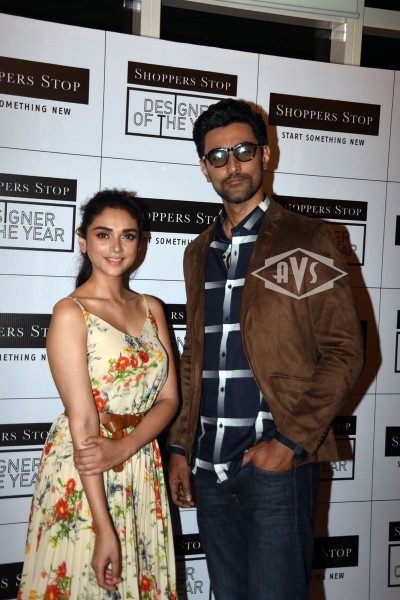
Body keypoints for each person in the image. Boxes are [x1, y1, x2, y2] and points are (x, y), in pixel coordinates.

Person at [167, 99, 364, 600]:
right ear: (204, 168)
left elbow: (344, 352)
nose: (232, 165)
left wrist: (287, 444)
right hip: (210, 470)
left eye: (243, 151)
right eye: (218, 156)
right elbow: (194, 357)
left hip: (276, 470)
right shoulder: (198, 251)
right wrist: (180, 448)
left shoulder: (307, 239)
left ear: (266, 155)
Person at [18, 189, 178, 600]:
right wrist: (104, 527)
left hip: (139, 461)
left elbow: (169, 400)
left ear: (140, 244)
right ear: (83, 241)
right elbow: (84, 421)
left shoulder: (152, 308)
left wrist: (125, 446)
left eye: (128, 236)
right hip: (86, 466)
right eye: (104, 234)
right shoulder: (70, 312)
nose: (116, 246)